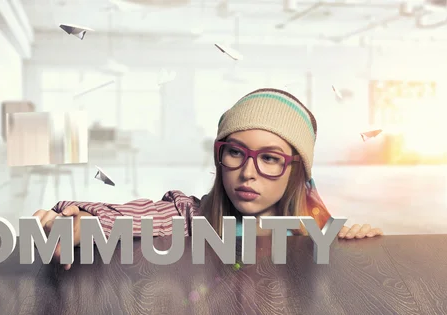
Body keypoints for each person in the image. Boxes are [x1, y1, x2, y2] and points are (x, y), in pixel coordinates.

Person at [33, 88, 383, 270]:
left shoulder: (315, 234)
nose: (248, 172)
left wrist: (351, 244)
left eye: (271, 158)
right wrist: (82, 222)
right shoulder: (188, 217)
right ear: (219, 156)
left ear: (296, 172)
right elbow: (124, 216)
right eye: (236, 152)